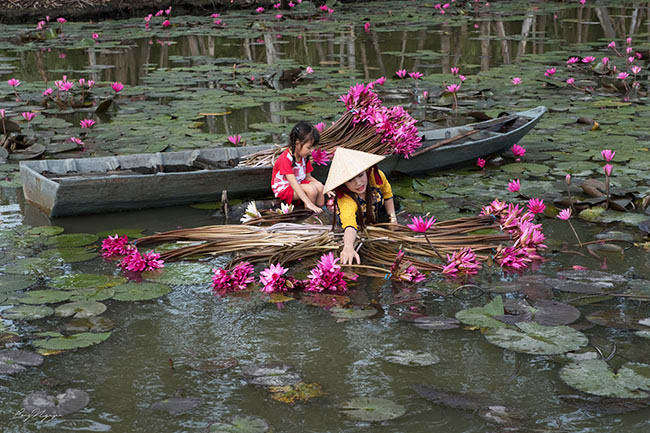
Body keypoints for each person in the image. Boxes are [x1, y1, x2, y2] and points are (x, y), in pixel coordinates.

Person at [323, 148, 397, 265]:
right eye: (350, 180)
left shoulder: (375, 176)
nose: (358, 183)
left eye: (360, 175)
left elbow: (387, 194)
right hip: (357, 222)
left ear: (366, 171)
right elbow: (350, 226)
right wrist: (348, 246)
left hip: (376, 211)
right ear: (344, 184)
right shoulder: (346, 200)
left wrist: (392, 219)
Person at [271, 121, 325, 214]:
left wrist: (325, 188)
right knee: (311, 190)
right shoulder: (285, 159)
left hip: (299, 183)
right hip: (285, 188)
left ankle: (322, 210)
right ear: (297, 144)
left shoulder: (304, 157)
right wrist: (308, 202)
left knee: (319, 186)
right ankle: (308, 213)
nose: (311, 151)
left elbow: (308, 177)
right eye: (309, 148)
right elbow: (293, 183)